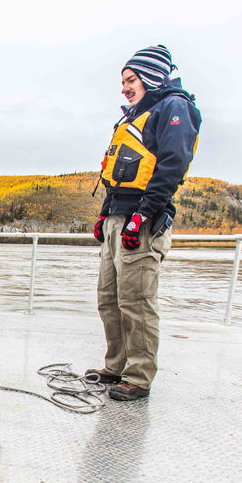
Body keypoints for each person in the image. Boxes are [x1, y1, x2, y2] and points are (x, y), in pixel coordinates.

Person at [89, 45, 201, 401]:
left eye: (131, 79)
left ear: (151, 77)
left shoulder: (173, 107)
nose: (124, 87)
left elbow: (172, 165)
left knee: (136, 301)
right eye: (123, 81)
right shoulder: (133, 116)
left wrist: (143, 215)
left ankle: (138, 376)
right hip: (117, 217)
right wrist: (106, 214)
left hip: (143, 219)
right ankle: (117, 365)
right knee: (109, 298)